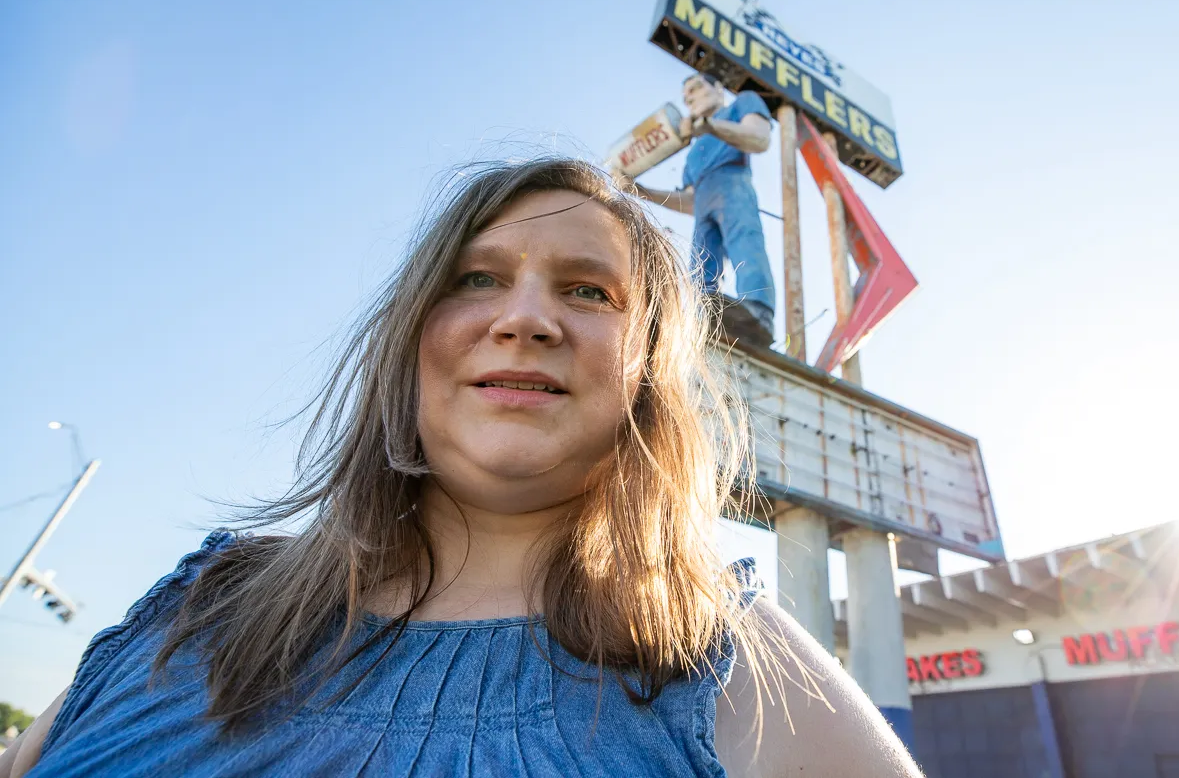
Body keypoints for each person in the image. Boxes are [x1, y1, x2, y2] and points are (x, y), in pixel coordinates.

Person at [1, 158, 921, 778]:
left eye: (588, 290)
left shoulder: (738, 673)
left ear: (645, 374)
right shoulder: (197, 605)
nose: (525, 318)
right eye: (476, 278)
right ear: (410, 342)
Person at [620, 72, 777, 346]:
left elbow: (759, 138)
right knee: (701, 262)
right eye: (686, 96)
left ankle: (758, 308)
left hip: (732, 183)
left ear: (718, 88)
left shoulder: (741, 105)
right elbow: (690, 200)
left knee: (744, 238)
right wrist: (642, 191)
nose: (690, 97)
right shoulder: (694, 152)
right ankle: (701, 315)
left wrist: (712, 126)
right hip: (703, 199)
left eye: (696, 88)